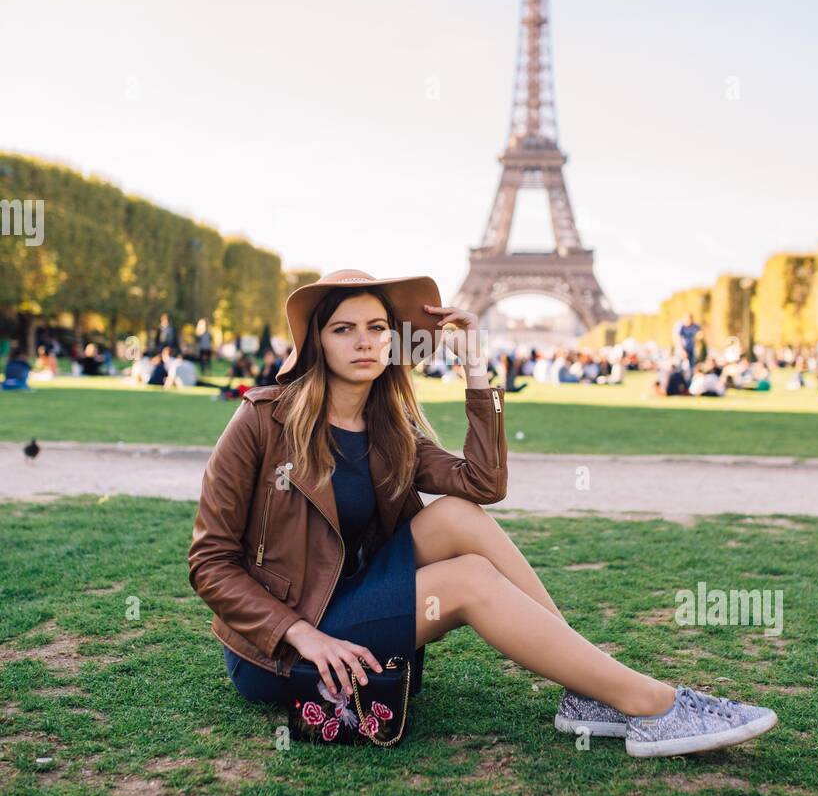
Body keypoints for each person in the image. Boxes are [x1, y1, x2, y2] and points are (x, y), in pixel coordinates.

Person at [188, 267, 779, 759]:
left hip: (354, 601)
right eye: (344, 329)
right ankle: (653, 705)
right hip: (287, 644)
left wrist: (476, 367)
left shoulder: (391, 428)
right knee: (468, 580)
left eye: (376, 328)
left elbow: (482, 484)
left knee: (458, 518)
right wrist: (300, 635)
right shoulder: (262, 420)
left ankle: (586, 692)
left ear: (395, 341)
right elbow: (209, 562)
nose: (364, 341)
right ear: (317, 342)